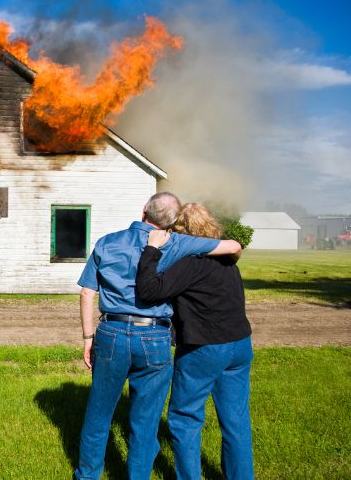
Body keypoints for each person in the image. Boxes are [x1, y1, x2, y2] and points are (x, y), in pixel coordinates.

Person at [75, 192, 242, 480]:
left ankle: (87, 475)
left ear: (143, 211)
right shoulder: (177, 243)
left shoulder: (107, 242)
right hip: (154, 336)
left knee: (99, 415)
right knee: (146, 420)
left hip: (111, 333)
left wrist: (88, 337)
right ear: (172, 222)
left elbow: (87, 292)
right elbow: (231, 246)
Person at [135, 203, 253, 480]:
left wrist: (151, 252)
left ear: (179, 230)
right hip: (240, 345)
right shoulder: (227, 260)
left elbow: (150, 291)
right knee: (236, 421)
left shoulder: (191, 262)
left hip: (204, 348)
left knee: (185, 419)